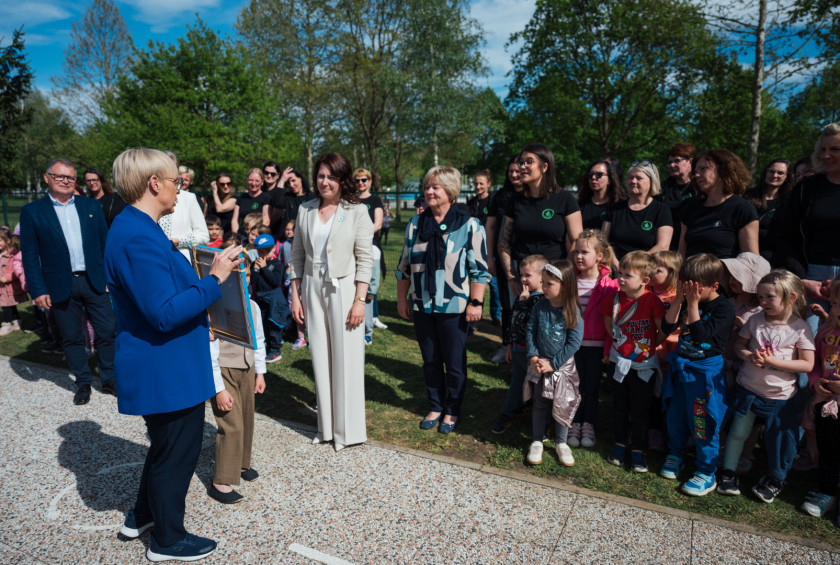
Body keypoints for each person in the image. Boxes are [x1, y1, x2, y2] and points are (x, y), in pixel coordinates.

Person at [106, 147, 244, 562]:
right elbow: (163, 313)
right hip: (164, 366)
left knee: (165, 447)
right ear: (154, 184)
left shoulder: (140, 228)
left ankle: (143, 516)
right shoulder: (135, 235)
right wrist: (215, 280)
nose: (179, 188)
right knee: (177, 453)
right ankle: (168, 540)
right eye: (176, 181)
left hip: (170, 363)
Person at [396, 166, 490, 434]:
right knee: (430, 359)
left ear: (450, 190)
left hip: (455, 306)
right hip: (422, 304)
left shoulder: (469, 225)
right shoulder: (416, 224)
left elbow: (479, 270)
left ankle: (452, 410)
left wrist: (476, 302)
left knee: (455, 361)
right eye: (427, 187)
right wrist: (403, 300)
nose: (429, 191)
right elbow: (403, 266)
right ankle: (436, 405)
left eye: (435, 187)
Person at [290, 153, 373, 451]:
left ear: (342, 180)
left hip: (345, 290)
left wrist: (360, 300)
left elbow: (365, 260)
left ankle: (347, 432)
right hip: (312, 288)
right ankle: (325, 428)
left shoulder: (356, 211)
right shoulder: (306, 209)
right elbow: (297, 256)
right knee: (321, 359)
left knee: (346, 359)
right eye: (321, 175)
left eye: (332, 177)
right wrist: (295, 295)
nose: (325, 182)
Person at [20, 158, 116, 405]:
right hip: (60, 285)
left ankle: (109, 379)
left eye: (71, 178)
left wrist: (108, 277)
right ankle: (83, 381)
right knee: (72, 336)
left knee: (107, 331)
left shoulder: (90, 206)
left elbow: (106, 246)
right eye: (60, 176)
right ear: (47, 178)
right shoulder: (32, 212)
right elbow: (30, 256)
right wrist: (38, 289)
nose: (65, 181)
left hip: (94, 281)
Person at [717, 270, 814, 502]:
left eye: (769, 297)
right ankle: (728, 472)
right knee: (738, 433)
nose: (762, 302)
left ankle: (775, 478)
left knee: (778, 439)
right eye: (760, 297)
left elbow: (808, 364)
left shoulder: (800, 328)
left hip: (779, 398)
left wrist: (773, 362)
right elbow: (740, 345)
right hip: (747, 389)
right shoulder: (755, 320)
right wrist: (749, 356)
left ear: (791, 297)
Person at [659, 254, 735, 496]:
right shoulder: (685, 299)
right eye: (685, 284)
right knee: (676, 415)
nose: (690, 289)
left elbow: (701, 335)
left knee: (703, 423)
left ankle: (706, 471)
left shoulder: (723, 308)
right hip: (682, 370)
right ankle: (676, 454)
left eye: (695, 287)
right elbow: (668, 327)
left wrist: (692, 305)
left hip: (705, 376)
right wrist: (680, 301)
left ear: (714, 286)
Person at [209, 255, 267, 504]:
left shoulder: (253, 306)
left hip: (246, 367)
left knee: (246, 419)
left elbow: (259, 341)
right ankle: (220, 480)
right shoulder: (214, 307)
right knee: (231, 422)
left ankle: (242, 464)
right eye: (237, 276)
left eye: (248, 276)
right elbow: (209, 353)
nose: (244, 280)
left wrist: (260, 372)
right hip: (224, 370)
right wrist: (218, 389)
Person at [601, 251, 665, 473]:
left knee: (640, 409)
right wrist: (617, 342)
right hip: (619, 362)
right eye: (620, 274)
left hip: (643, 367)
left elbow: (661, 329)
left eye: (627, 275)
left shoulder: (652, 301)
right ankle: (619, 443)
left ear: (645, 281)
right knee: (619, 405)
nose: (621, 279)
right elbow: (608, 320)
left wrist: (648, 349)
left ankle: (638, 448)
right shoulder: (614, 298)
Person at [775, 123, 840, 337]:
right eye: (823, 149)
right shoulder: (806, 188)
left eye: (835, 149)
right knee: (805, 347)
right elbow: (785, 236)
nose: (827, 155)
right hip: (810, 278)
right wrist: (801, 280)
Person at [498, 144, 583, 300]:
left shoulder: (565, 199)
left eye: (529, 162)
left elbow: (576, 241)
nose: (522, 167)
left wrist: (563, 274)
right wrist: (512, 277)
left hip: (555, 278)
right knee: (522, 322)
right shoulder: (514, 201)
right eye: (521, 162)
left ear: (544, 166)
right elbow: (503, 242)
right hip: (523, 280)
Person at [524, 260, 583, 467]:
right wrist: (533, 357)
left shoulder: (572, 310)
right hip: (539, 366)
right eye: (543, 283)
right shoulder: (540, 306)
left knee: (562, 404)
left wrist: (554, 363)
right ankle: (537, 440)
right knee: (539, 403)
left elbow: (574, 342)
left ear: (564, 286)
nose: (544, 288)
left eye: (549, 284)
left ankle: (561, 442)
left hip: (562, 369)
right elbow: (530, 330)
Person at [569, 229, 617, 448]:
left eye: (584, 252)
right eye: (577, 251)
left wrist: (608, 349)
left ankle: (588, 423)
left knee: (592, 387)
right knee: (574, 386)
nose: (579, 256)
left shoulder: (610, 285)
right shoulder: (569, 281)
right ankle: (574, 423)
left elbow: (612, 322)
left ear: (599, 256)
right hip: (573, 346)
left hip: (597, 347)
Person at [490, 254, 547, 434]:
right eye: (521, 274)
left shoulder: (542, 300)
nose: (522, 279)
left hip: (535, 355)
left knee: (540, 391)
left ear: (542, 278)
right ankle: (505, 416)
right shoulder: (524, 296)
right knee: (515, 386)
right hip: (518, 350)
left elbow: (527, 321)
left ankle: (543, 426)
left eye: (527, 275)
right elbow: (514, 323)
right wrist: (509, 345)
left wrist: (523, 301)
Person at [800, 277, 840, 519]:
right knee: (829, 449)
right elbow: (814, 363)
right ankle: (827, 492)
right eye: (834, 303)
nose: (837, 309)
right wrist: (815, 381)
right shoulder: (825, 330)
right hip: (826, 405)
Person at [678, 149, 758, 259]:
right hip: (689, 275)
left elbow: (752, 260)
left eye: (703, 168)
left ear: (723, 170)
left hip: (725, 275)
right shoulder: (689, 208)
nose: (696, 175)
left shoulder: (742, 208)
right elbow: (681, 255)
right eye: (695, 171)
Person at [486, 156, 525, 363]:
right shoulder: (500, 197)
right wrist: (490, 258)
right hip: (505, 259)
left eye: (518, 170)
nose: (514, 174)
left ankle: (525, 347)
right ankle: (505, 345)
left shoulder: (531, 196)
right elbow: (491, 227)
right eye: (511, 171)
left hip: (528, 258)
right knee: (507, 304)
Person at [602, 161, 673, 261]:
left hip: (646, 268)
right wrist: (615, 264)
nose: (633, 181)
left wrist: (635, 265)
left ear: (651, 182)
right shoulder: (614, 209)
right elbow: (604, 242)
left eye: (639, 178)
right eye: (630, 177)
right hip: (616, 269)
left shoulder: (661, 209)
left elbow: (663, 246)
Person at [354, 168, 387, 332]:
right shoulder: (351, 199)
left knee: (371, 285)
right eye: (357, 180)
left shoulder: (375, 200)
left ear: (370, 181)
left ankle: (372, 319)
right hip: (352, 246)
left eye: (364, 180)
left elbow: (378, 224)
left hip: (371, 245)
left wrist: (361, 236)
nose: (361, 183)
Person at [744, 159, 794, 262]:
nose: (774, 175)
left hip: (773, 259)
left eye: (780, 173)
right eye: (771, 171)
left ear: (787, 177)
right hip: (745, 256)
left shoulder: (790, 201)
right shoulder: (747, 196)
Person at [251, 234, 286, 363]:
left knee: (274, 325)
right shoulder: (256, 264)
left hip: (274, 301)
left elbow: (275, 282)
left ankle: (275, 350)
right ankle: (268, 348)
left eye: (267, 251)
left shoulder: (277, 264)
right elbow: (253, 281)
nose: (263, 254)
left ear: (273, 249)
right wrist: (255, 269)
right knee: (264, 325)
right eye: (260, 251)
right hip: (261, 300)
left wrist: (264, 268)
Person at [159, 173, 210, 261]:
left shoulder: (188, 198)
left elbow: (203, 236)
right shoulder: (149, 197)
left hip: (180, 259)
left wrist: (178, 241)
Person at [658, 143, 696, 250]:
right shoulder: (662, 188)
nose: (672, 165)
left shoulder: (700, 187)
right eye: (670, 162)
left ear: (690, 161)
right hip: (667, 245)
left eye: (677, 161)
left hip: (692, 244)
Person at [578, 159, 625, 230]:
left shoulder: (619, 206)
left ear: (609, 180)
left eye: (599, 175)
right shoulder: (580, 206)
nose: (593, 178)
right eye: (590, 175)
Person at [0, 230, 27, 336]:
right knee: (9, 304)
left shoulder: (12, 255)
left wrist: (6, 278)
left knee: (6, 305)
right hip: (2, 287)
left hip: (9, 286)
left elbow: (15, 269)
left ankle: (7, 324)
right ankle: (16, 320)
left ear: (8, 241)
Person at [231, 169, 271, 237]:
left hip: (258, 235)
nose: (253, 183)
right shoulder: (241, 198)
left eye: (257, 181)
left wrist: (254, 234)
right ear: (247, 181)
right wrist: (236, 237)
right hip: (243, 234)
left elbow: (266, 220)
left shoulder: (266, 198)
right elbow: (234, 220)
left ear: (262, 182)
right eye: (251, 180)